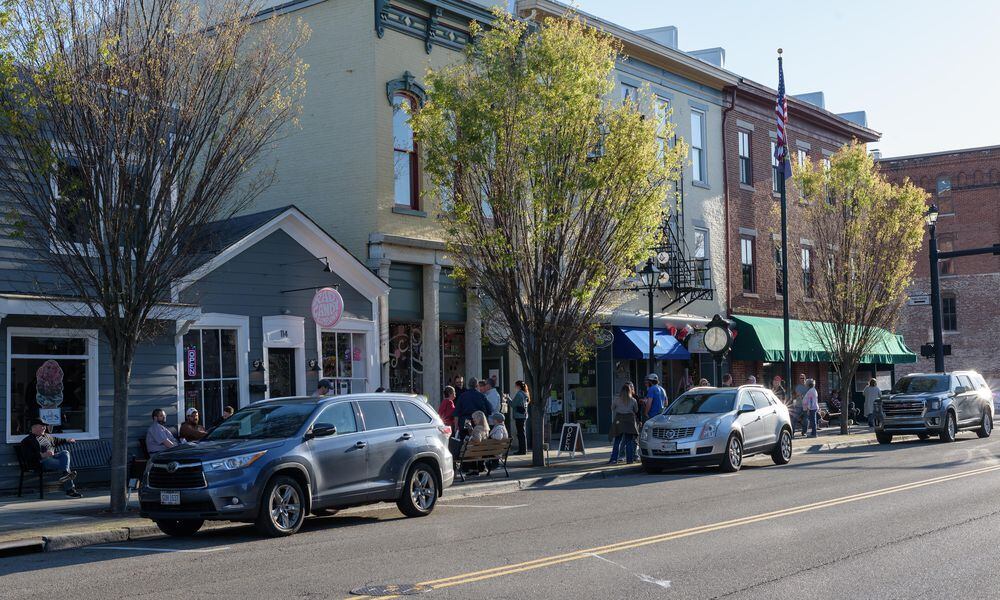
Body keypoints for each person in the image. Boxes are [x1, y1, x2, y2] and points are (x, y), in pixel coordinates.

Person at [19, 419, 81, 498]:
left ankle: (66, 475)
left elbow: (58, 440)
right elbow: (27, 456)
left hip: (53, 458)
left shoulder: (47, 436)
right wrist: (42, 455)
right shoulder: (27, 441)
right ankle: (70, 489)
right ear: (34, 427)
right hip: (41, 462)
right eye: (42, 426)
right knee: (62, 466)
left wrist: (67, 440)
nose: (44, 428)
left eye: (45, 426)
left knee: (65, 453)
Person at [608, 384, 639, 464]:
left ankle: (614, 459)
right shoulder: (633, 400)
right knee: (629, 441)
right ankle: (629, 460)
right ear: (630, 391)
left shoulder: (616, 399)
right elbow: (636, 410)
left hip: (619, 420)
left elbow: (612, 408)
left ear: (621, 391)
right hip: (629, 421)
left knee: (617, 441)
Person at [511, 380, 530, 455]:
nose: (515, 387)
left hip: (519, 416)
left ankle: (522, 450)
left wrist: (507, 398)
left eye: (515, 385)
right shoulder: (525, 393)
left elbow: (513, 404)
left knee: (520, 433)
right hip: (524, 415)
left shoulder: (519, 394)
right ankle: (524, 449)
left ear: (518, 386)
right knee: (522, 433)